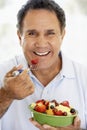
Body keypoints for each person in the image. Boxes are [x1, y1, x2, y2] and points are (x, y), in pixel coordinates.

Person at [0, 0, 87, 130]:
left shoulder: (84, 77)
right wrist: (6, 95)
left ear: (62, 35)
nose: (41, 43)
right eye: (32, 33)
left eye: (50, 33)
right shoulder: (2, 72)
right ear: (19, 37)